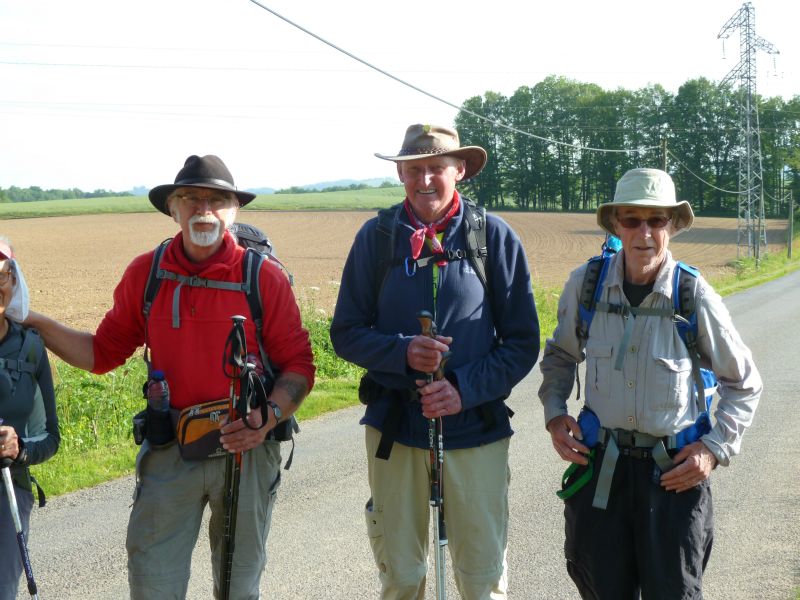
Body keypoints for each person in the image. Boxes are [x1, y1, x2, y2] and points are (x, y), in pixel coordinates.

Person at [25, 155, 315, 600]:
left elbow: (299, 365)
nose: (204, 209)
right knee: (152, 584)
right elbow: (103, 353)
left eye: (217, 199)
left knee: (238, 587)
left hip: (249, 450)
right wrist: (35, 322)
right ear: (173, 209)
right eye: (191, 198)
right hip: (172, 445)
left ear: (234, 209)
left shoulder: (263, 278)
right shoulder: (148, 273)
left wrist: (268, 417)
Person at [330, 124, 540, 599]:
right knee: (402, 579)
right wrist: (402, 351)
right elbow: (345, 333)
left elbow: (523, 342)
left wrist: (462, 388)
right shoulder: (377, 237)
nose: (425, 179)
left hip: (475, 428)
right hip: (395, 427)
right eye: (414, 169)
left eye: (436, 168)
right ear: (401, 173)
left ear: (459, 170)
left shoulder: (493, 237)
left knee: (482, 580)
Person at [538, 168, 763, 599]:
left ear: (672, 226)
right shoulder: (586, 286)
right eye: (632, 219)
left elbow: (745, 383)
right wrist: (554, 414)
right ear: (615, 225)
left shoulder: (693, 296)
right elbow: (560, 357)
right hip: (601, 472)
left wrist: (713, 450)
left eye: (656, 220)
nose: (644, 232)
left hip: (673, 477)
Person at [0, 237, 60, 600]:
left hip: (9, 490)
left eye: (1, 275)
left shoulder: (30, 348)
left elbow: (49, 436)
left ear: (13, 281)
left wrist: (19, 448)